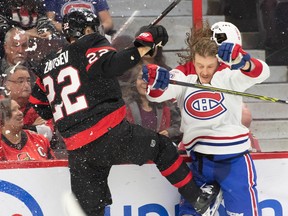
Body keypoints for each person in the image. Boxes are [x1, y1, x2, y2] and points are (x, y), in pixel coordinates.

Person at [28, 10, 220, 215]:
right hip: (111, 134)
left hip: (78, 151)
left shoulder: (47, 64)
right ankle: (197, 199)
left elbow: (40, 106)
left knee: (92, 210)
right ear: (86, 29)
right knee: (162, 147)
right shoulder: (90, 43)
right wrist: (145, 44)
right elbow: (114, 65)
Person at [142, 21, 270, 215]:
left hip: (234, 161)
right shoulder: (183, 75)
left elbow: (261, 73)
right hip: (201, 161)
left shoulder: (228, 75)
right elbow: (157, 94)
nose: (204, 71)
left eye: (210, 66)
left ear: (218, 61)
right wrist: (156, 82)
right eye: (200, 65)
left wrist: (244, 61)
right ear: (193, 59)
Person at [125, 63, 183, 143]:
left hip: (160, 151)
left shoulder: (166, 104)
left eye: (151, 78)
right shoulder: (125, 106)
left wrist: (169, 132)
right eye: (142, 78)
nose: (145, 82)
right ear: (134, 82)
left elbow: (180, 126)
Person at [3, 65, 53, 141]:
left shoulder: (38, 104)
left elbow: (47, 133)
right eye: (20, 81)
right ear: (7, 85)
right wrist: (31, 128)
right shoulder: (1, 104)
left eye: (28, 81)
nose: (26, 85)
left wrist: (14, 128)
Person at [45, 0, 114, 34]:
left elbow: (108, 22)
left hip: (92, 37)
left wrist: (95, 30)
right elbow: (50, 21)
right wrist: (73, 30)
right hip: (65, 38)